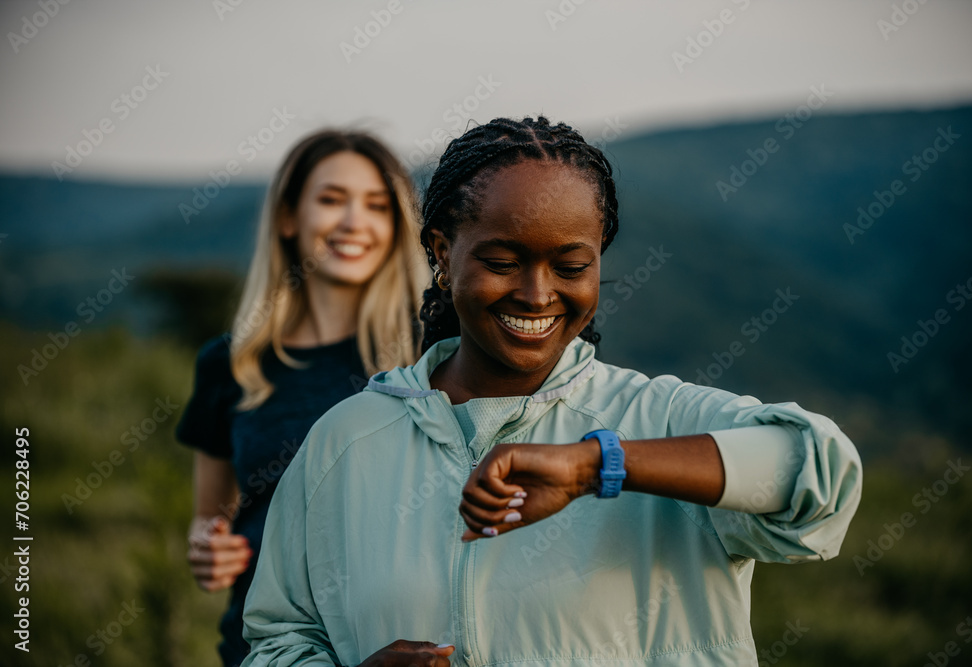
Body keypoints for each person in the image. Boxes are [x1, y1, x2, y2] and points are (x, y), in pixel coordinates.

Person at [241, 116, 863, 666]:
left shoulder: (665, 418)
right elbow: (277, 640)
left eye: (570, 267)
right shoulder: (346, 441)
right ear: (441, 252)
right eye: (503, 262)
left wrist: (598, 463)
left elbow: (822, 477)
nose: (538, 295)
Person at [174, 128, 429, 667]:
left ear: (396, 225)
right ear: (289, 218)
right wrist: (206, 547)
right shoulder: (231, 364)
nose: (355, 221)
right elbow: (211, 517)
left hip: (401, 640)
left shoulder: (429, 347)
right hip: (267, 647)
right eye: (332, 200)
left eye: (377, 206)